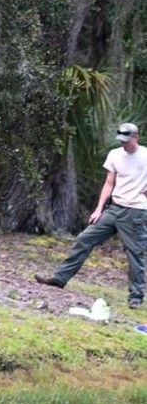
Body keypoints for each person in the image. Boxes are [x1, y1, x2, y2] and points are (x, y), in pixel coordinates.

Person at [35, 122, 147, 309]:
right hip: (114, 208)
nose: (123, 144)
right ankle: (59, 279)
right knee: (84, 239)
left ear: (136, 137)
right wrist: (99, 209)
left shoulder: (145, 155)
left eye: (127, 141)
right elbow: (109, 183)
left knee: (135, 254)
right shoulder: (115, 155)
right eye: (121, 140)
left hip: (135, 212)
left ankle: (136, 297)